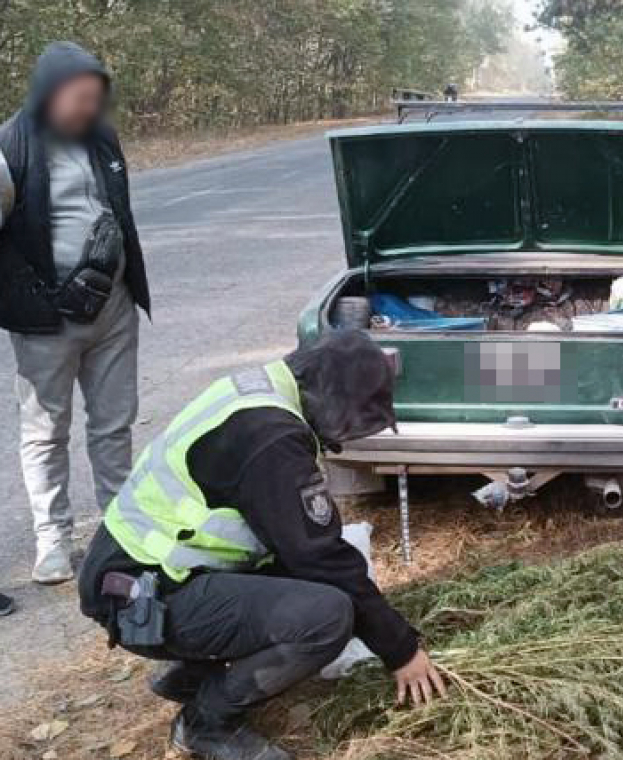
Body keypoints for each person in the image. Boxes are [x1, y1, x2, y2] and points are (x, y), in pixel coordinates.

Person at [78, 331, 445, 760]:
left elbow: (298, 540)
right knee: (326, 616)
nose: (344, 436)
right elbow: (321, 558)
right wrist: (401, 650)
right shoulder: (273, 438)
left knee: (307, 584)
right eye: (349, 419)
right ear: (328, 395)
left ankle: (193, 673)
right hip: (144, 595)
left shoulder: (261, 391)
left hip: (139, 575)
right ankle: (207, 721)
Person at [0, 42, 149, 585]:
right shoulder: (10, 146)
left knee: (114, 423)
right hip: (45, 322)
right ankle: (52, 540)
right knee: (45, 430)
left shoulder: (101, 138)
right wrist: (33, 295)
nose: (91, 107)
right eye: (81, 96)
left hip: (113, 311)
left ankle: (116, 533)